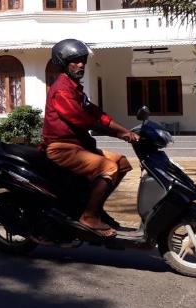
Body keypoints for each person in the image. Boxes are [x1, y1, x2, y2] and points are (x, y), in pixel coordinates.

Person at [42, 39, 139, 237]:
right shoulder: (62, 89)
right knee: (108, 167)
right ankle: (89, 216)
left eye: (83, 60)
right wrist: (117, 133)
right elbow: (81, 120)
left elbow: (97, 114)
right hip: (61, 148)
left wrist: (127, 132)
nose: (81, 65)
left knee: (121, 162)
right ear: (63, 63)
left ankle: (96, 208)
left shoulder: (75, 88)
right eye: (74, 61)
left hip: (78, 147)